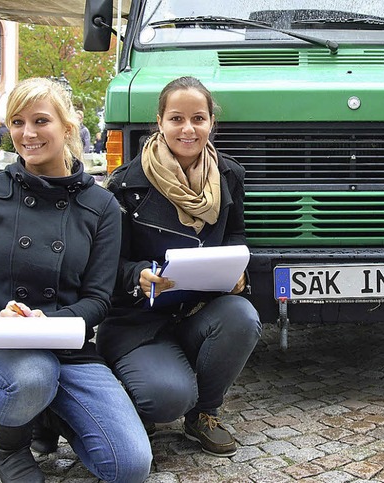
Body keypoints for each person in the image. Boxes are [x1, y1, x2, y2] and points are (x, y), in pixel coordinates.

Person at [0, 77, 152, 483]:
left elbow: (98, 298)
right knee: (33, 376)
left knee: (130, 467)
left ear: (67, 128)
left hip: (68, 348)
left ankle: (50, 415)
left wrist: (52, 322)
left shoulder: (101, 204)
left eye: (40, 121)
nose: (27, 134)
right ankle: (10, 446)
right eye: (16, 122)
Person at [97, 76, 261, 458]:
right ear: (160, 122)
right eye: (176, 119)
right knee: (166, 399)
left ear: (210, 123)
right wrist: (137, 274)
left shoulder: (229, 175)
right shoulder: (125, 185)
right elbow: (108, 263)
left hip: (198, 309)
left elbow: (236, 234)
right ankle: (145, 395)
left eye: (198, 118)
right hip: (141, 321)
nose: (188, 129)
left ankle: (204, 412)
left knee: (243, 316)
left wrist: (237, 268)